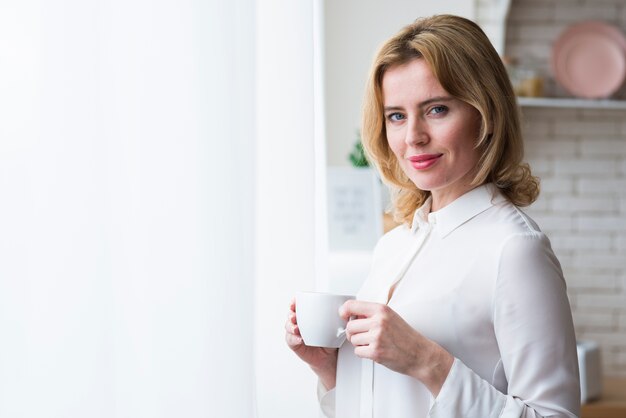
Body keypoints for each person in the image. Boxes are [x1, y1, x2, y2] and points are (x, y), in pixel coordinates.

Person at [285, 14, 580, 418]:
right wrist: (333, 370)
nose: (413, 137)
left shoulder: (514, 250)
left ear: (485, 112)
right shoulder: (393, 246)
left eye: (437, 109)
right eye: (396, 116)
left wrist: (429, 362)